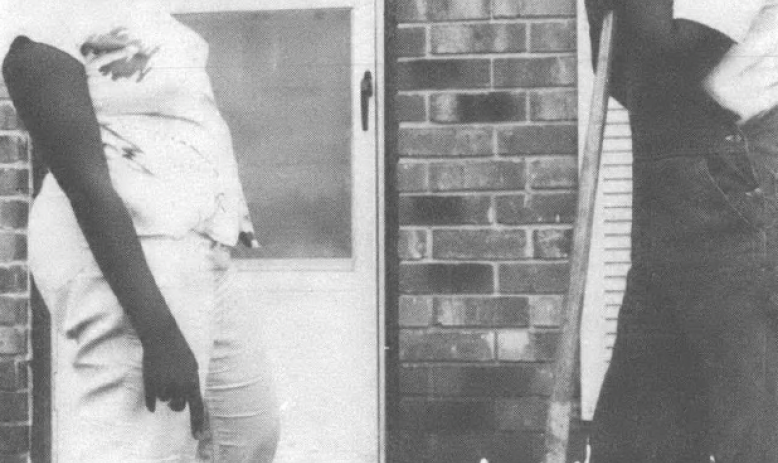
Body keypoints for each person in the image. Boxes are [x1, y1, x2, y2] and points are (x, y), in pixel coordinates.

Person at [1, 1, 279, 461]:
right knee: (144, 443)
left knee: (248, 430)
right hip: (126, 247)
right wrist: (158, 332)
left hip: (199, 241)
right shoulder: (39, 27)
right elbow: (86, 185)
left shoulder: (142, 13)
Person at [585, 1, 778, 462]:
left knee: (746, 419)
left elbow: (672, 56)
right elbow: (619, 71)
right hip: (667, 194)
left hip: (730, 188)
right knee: (637, 430)